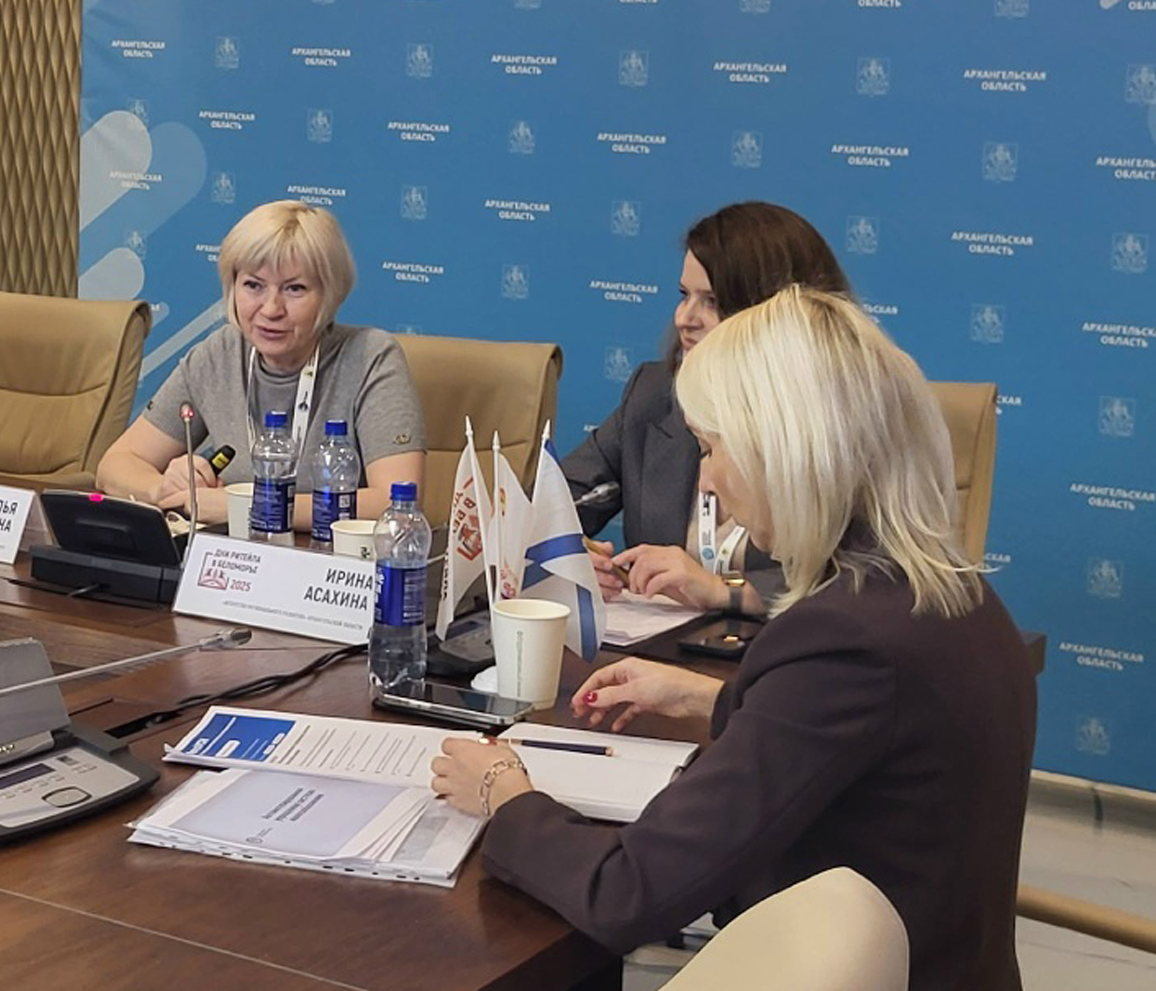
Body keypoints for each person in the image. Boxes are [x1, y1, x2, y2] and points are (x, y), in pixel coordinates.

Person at [432, 288, 1035, 991]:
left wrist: (504, 794)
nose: (708, 480)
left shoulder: (843, 642)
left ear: (788, 453)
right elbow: (858, 747)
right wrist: (710, 698)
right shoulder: (948, 591)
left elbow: (628, 892)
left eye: (713, 449)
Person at [564, 201, 851, 617]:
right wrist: (567, 556)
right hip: (659, 646)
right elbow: (550, 505)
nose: (684, 318)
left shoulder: (839, 423)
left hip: (787, 648)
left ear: (775, 312)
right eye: (684, 295)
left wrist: (725, 591)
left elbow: (862, 576)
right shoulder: (654, 396)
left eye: (712, 301)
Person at [95, 200, 424, 525]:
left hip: (326, 556)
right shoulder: (218, 354)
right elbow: (116, 464)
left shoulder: (369, 357)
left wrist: (250, 507)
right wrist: (166, 489)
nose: (270, 309)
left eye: (294, 289)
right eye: (253, 285)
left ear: (329, 295)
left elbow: (394, 500)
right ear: (232, 287)